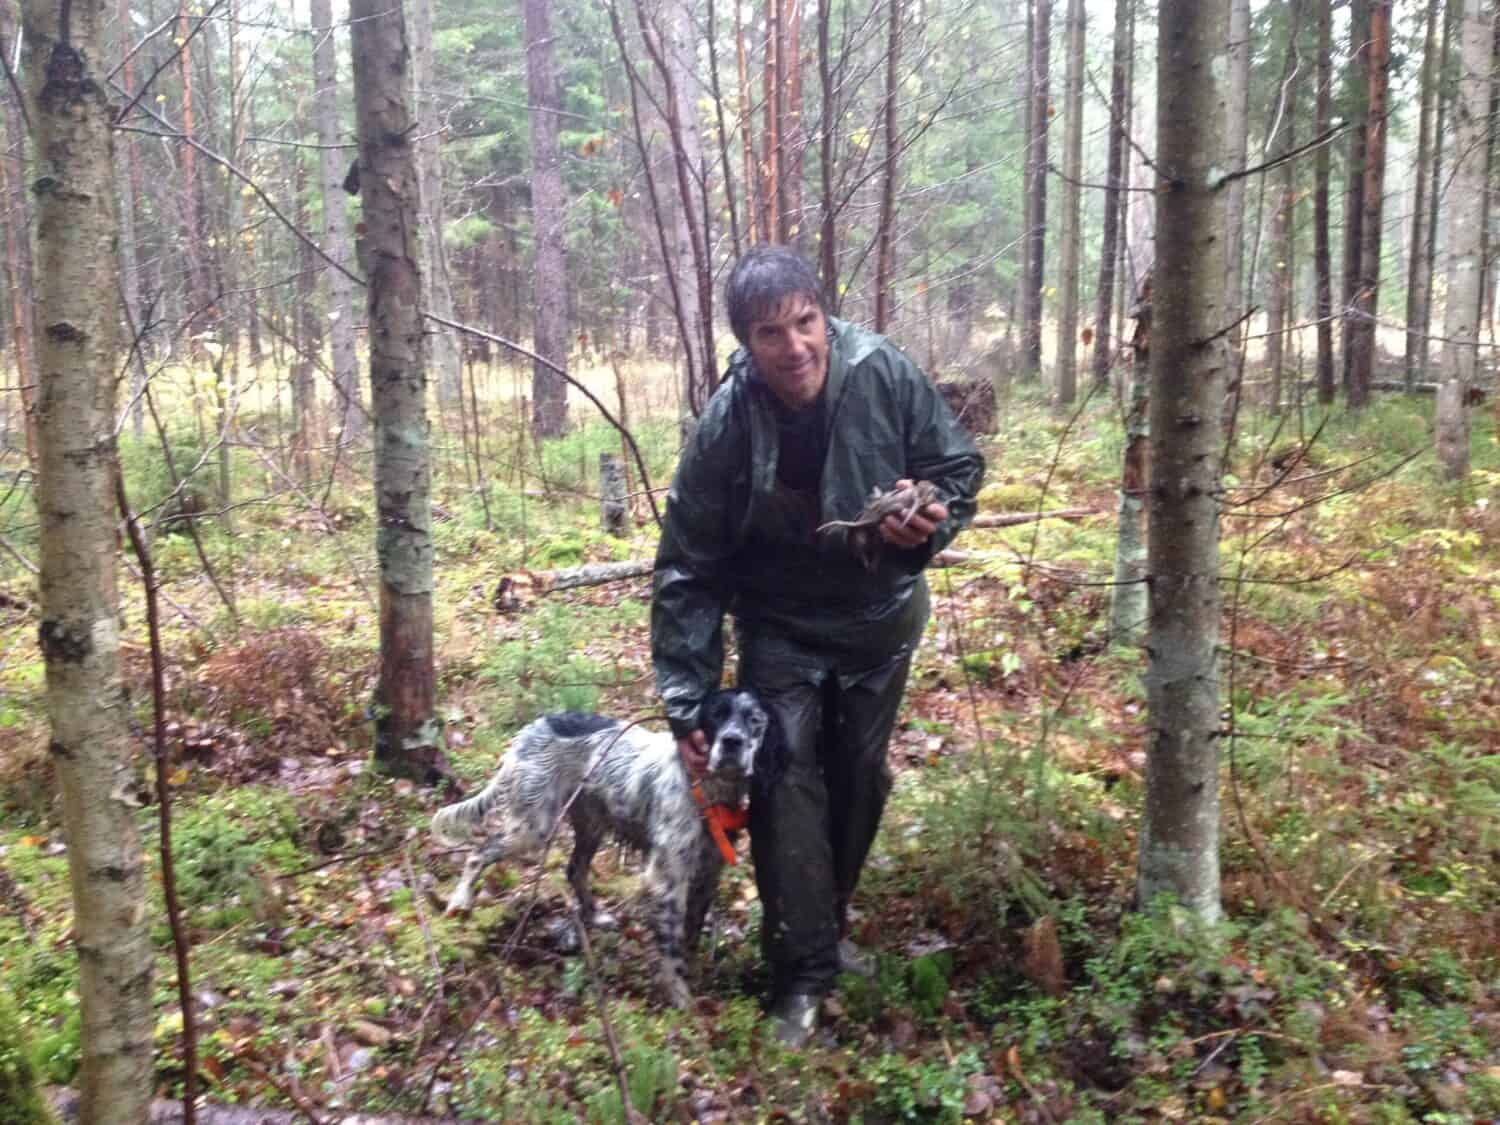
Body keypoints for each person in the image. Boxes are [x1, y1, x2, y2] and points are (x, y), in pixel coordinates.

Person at [650, 246, 985, 1046]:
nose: (796, 346)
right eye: (772, 333)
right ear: (746, 343)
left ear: (824, 317)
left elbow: (956, 465)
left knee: (858, 780)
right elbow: (688, 565)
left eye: (806, 322)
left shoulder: (881, 372)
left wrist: (927, 518)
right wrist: (688, 698)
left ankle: (825, 930)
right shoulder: (725, 426)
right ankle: (798, 975)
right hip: (781, 633)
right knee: (788, 779)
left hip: (880, 623)